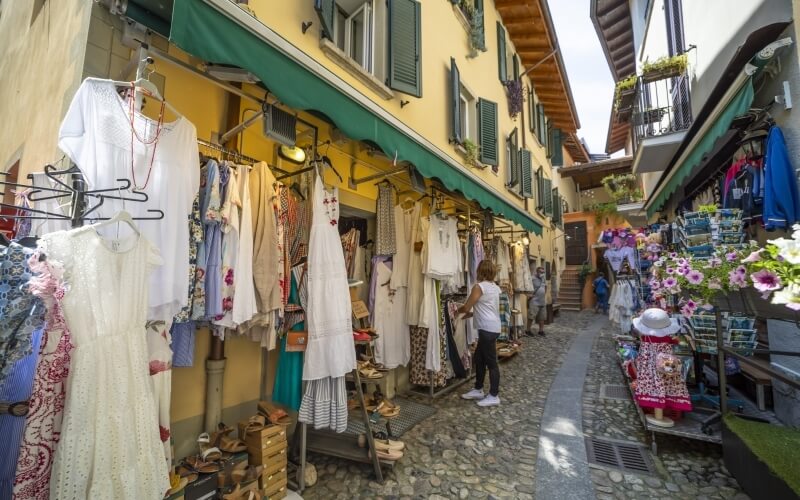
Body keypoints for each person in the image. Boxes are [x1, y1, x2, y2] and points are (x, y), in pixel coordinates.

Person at [459, 260, 502, 407]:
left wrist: (455, 311)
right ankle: (478, 389)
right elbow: (487, 308)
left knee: (491, 363)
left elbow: (466, 307)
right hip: (493, 327)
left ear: (480, 271)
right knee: (479, 358)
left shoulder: (479, 287)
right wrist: (471, 315)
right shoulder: (495, 287)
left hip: (486, 330)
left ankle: (494, 395)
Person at [527, 266, 546, 337]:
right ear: (537, 272)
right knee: (531, 316)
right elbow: (528, 287)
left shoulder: (543, 279)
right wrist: (529, 295)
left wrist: (543, 294)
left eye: (543, 272)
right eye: (541, 272)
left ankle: (541, 331)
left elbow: (545, 287)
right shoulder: (532, 278)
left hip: (542, 301)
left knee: (542, 317)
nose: (542, 273)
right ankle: (528, 330)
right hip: (534, 301)